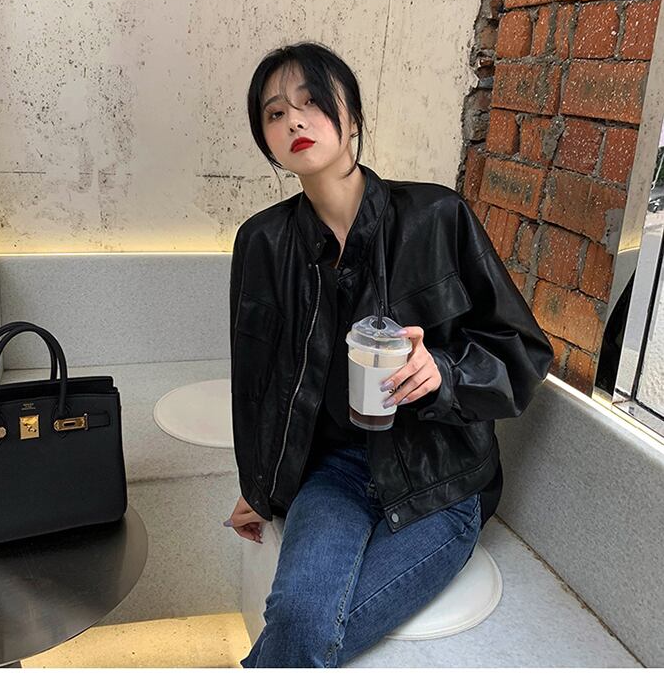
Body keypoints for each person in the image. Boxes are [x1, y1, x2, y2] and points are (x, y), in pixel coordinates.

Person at [225, 41, 554, 668]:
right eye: (274, 113)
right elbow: (255, 388)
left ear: (351, 117)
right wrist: (260, 487)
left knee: (306, 631)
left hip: (441, 476)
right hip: (334, 473)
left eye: (312, 102)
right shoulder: (262, 243)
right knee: (298, 616)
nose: (294, 121)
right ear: (265, 139)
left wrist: (443, 373)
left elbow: (523, 351)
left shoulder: (437, 216)